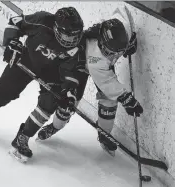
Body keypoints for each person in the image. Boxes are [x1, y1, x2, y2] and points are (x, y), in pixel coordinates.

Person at [0, 7, 87, 162]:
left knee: (49, 104)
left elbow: (71, 72)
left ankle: (23, 136)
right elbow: (15, 22)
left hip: (53, 75)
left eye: (75, 35)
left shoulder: (79, 46)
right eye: (68, 35)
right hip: (26, 61)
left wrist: (68, 91)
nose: (71, 40)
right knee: (1, 94)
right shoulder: (43, 20)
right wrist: (12, 42)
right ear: (56, 28)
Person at [36, 11, 143, 156]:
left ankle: (104, 134)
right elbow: (106, 82)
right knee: (68, 105)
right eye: (110, 52)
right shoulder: (96, 59)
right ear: (101, 42)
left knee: (109, 101)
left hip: (102, 68)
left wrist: (129, 43)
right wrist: (126, 98)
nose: (113, 56)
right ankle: (55, 126)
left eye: (117, 53)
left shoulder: (119, 31)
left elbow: (123, 15)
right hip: (79, 67)